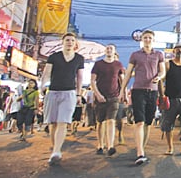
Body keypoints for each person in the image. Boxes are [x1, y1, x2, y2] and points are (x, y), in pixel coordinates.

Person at [120, 29, 165, 165]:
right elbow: (128, 73)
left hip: (153, 91)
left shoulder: (159, 54)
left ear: (153, 40)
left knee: (148, 122)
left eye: (150, 38)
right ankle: (140, 152)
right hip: (138, 91)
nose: (147, 40)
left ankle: (141, 147)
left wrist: (159, 77)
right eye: (145, 38)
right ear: (141, 40)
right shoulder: (135, 55)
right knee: (139, 121)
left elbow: (162, 71)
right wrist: (123, 90)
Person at [40, 32, 85, 166]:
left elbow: (80, 78)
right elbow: (47, 73)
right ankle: (55, 148)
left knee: (63, 122)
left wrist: (78, 94)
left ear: (75, 43)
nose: (69, 42)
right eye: (67, 40)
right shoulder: (54, 57)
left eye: (72, 40)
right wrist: (42, 86)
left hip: (69, 93)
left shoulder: (79, 59)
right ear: (62, 42)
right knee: (53, 123)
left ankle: (57, 151)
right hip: (53, 91)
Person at [90, 44, 125, 157]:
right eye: (107, 48)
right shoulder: (98, 64)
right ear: (105, 51)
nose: (109, 50)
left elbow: (122, 80)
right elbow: (92, 81)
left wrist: (123, 94)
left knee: (111, 120)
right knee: (100, 122)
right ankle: (100, 144)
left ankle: (110, 145)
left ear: (114, 51)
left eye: (111, 49)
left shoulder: (118, 64)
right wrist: (97, 94)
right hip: (100, 97)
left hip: (114, 96)